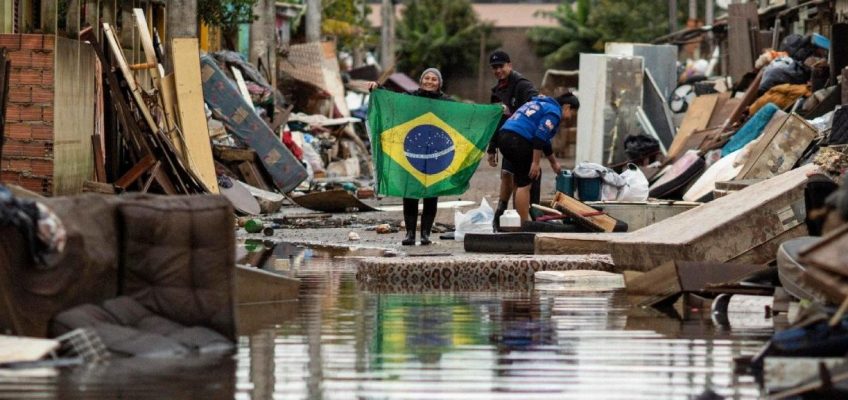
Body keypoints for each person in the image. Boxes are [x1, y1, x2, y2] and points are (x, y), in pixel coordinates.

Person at [366, 68, 450, 245]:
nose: (429, 81)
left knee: (431, 194)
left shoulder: (447, 102)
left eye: (434, 79)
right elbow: (391, 99)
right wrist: (378, 88)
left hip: (435, 153)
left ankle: (426, 234)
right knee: (410, 192)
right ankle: (410, 234)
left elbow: (467, 115)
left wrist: (494, 110)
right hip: (412, 151)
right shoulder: (410, 98)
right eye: (426, 78)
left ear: (439, 83)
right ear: (421, 81)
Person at [485, 50, 557, 230]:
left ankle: (526, 220)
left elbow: (537, 108)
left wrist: (539, 158)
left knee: (524, 181)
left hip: (524, 141)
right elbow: (495, 120)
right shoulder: (496, 92)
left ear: (509, 65)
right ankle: (501, 216)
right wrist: (492, 148)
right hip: (506, 139)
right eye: (494, 68)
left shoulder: (522, 85)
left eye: (501, 66)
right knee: (507, 176)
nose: (498, 70)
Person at [496, 93, 579, 223]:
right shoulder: (555, 112)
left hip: (504, 136)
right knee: (525, 184)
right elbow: (540, 136)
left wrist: (553, 163)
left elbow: (544, 140)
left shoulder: (540, 104)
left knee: (519, 180)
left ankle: (515, 222)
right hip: (518, 140)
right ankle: (524, 225)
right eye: (572, 113)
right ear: (567, 107)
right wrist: (535, 162)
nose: (570, 118)